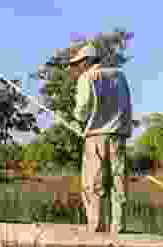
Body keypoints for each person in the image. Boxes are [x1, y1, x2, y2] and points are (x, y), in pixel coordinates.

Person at [67, 44, 133, 233]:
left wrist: (77, 122)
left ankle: (96, 228)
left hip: (96, 137)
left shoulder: (87, 77)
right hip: (119, 136)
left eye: (79, 62)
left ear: (87, 61)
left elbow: (82, 110)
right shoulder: (120, 76)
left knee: (93, 184)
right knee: (118, 182)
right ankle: (118, 228)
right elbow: (127, 104)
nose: (78, 66)